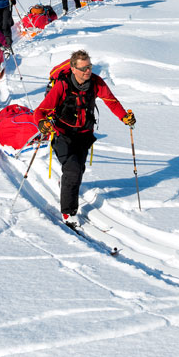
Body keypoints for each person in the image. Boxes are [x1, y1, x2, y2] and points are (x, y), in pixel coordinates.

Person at [34, 49, 135, 227]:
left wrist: (124, 117)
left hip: (84, 134)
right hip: (63, 134)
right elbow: (40, 111)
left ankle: (66, 182)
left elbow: (111, 101)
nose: (88, 71)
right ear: (73, 69)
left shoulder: (96, 82)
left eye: (89, 67)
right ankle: (68, 213)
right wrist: (42, 123)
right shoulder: (62, 86)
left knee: (78, 169)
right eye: (83, 68)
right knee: (73, 170)